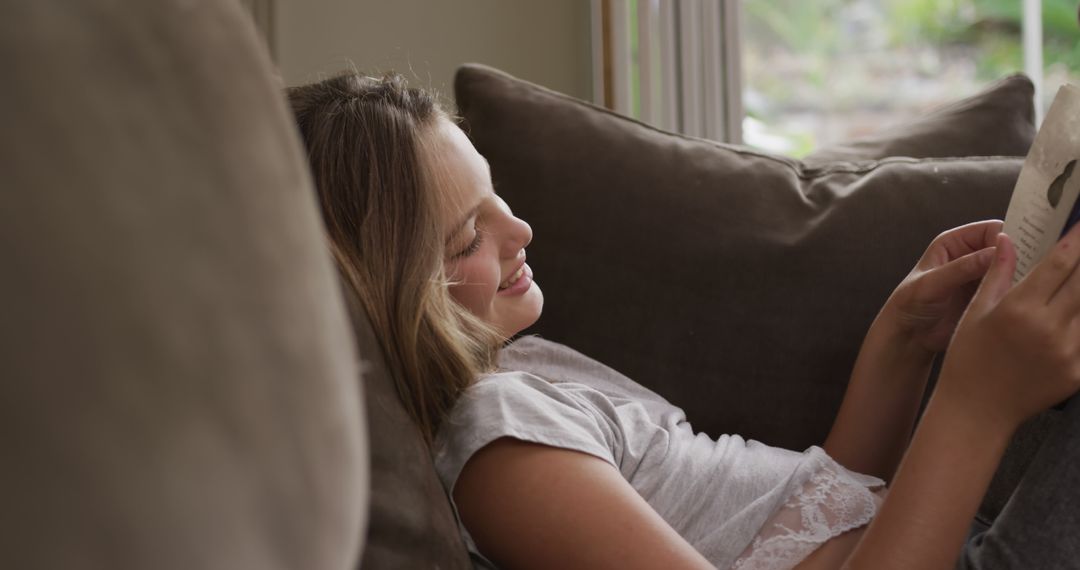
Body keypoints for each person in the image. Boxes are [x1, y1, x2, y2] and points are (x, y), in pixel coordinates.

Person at [287, 71, 1080, 569]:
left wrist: (902, 341)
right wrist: (975, 404)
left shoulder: (528, 373)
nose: (519, 232)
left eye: (498, 199)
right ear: (392, 293)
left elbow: (805, 521)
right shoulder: (499, 446)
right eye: (469, 237)